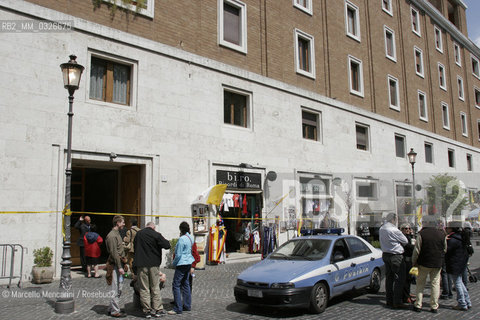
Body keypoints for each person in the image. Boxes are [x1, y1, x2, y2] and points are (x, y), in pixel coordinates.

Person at [134, 221, 171, 318]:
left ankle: (147, 310)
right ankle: (158, 309)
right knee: (155, 286)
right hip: (153, 264)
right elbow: (167, 245)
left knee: (144, 288)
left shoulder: (139, 234)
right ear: (153, 228)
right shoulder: (156, 234)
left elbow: (135, 247)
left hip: (141, 264)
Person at [411, 219, 446, 313]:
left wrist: (414, 261)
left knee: (420, 283)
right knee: (435, 284)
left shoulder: (422, 234)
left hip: (424, 262)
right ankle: (434, 306)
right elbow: (445, 249)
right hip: (437, 263)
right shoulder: (442, 234)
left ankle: (418, 304)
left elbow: (417, 250)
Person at [379, 212, 408, 309]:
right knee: (400, 279)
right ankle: (397, 301)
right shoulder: (394, 229)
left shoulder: (382, 228)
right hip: (396, 255)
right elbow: (405, 241)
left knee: (389, 279)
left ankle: (389, 300)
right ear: (393, 219)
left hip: (386, 254)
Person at [168, 222, 195, 315]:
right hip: (188, 262)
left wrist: (174, 264)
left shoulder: (182, 239)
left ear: (181, 229)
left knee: (176, 285)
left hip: (182, 263)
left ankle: (177, 308)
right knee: (186, 283)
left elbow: (178, 254)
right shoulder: (191, 238)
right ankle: (187, 305)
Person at [446, 221, 472, 311]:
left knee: (457, 283)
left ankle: (462, 303)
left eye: (448, 228)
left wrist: (445, 241)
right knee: (460, 283)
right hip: (461, 263)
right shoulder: (462, 237)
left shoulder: (452, 240)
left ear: (452, 229)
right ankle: (467, 301)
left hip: (455, 263)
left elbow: (446, 251)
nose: (446, 229)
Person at [105, 215, 127, 318]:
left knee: (118, 287)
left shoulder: (116, 234)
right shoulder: (112, 236)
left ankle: (111, 308)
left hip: (119, 264)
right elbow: (114, 253)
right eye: (122, 222)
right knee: (115, 287)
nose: (124, 224)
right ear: (117, 223)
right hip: (115, 265)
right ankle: (114, 311)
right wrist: (119, 267)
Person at [400, 223, 415, 304]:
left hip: (410, 260)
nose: (408, 230)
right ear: (402, 230)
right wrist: (415, 246)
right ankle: (406, 297)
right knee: (406, 279)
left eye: (409, 228)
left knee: (409, 278)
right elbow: (408, 247)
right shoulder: (403, 238)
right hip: (405, 260)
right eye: (405, 228)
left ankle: (407, 294)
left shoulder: (410, 237)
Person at [462, 221, 474, 289]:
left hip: (463, 252)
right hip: (467, 251)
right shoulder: (469, 231)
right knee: (464, 268)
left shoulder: (464, 232)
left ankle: (463, 284)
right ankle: (464, 283)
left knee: (463, 269)